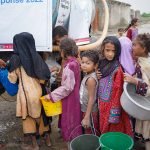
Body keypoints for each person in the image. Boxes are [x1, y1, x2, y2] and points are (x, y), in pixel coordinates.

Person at [7, 32, 51, 150]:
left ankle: (34, 143)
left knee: (28, 118)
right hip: (39, 92)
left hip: (24, 94)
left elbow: (12, 79)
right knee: (42, 116)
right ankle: (47, 139)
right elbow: (44, 77)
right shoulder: (36, 56)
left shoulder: (15, 58)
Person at [45, 38, 82, 142]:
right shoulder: (75, 62)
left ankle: (72, 141)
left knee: (70, 118)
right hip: (75, 96)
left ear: (63, 51)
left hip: (69, 98)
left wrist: (52, 96)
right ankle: (75, 138)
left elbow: (67, 88)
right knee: (74, 118)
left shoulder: (69, 66)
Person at [98, 36, 133, 136]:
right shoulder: (100, 63)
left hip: (112, 107)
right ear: (102, 49)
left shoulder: (117, 69)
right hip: (101, 103)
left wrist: (114, 113)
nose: (110, 53)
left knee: (112, 130)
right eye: (107, 50)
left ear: (117, 51)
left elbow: (118, 92)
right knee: (102, 127)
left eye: (113, 51)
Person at [124, 33, 150, 150]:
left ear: (143, 49)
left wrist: (135, 81)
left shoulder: (145, 66)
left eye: (134, 45)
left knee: (148, 134)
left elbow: (148, 89)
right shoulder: (141, 61)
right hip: (143, 105)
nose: (132, 47)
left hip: (147, 105)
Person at [80, 50, 99, 135]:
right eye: (83, 62)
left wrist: (87, 117)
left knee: (92, 132)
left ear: (95, 66)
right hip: (87, 109)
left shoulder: (91, 79)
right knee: (89, 131)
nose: (84, 65)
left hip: (90, 112)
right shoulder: (88, 74)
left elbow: (92, 98)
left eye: (88, 63)